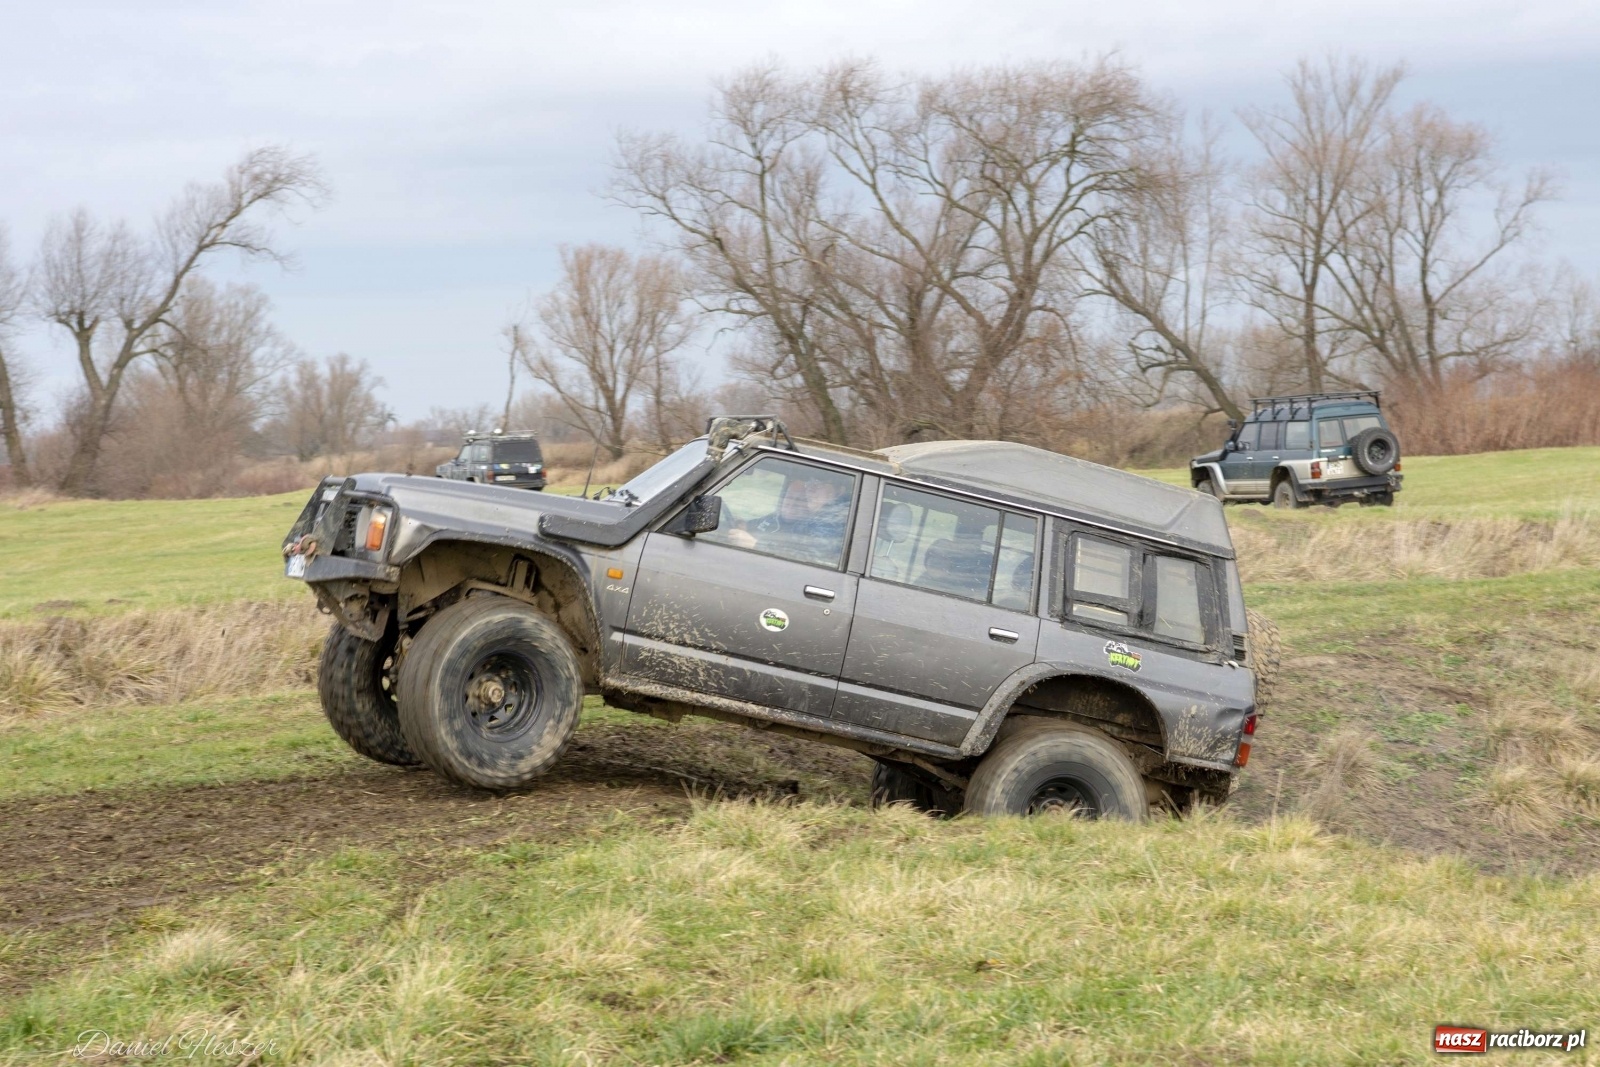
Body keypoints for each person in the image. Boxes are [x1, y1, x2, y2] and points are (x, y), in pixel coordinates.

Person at [724, 470, 851, 565]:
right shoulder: (819, 517)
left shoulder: (833, 523)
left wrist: (756, 545)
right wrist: (747, 527)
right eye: (810, 483)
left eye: (820, 484)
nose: (810, 489)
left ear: (839, 491)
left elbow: (810, 559)